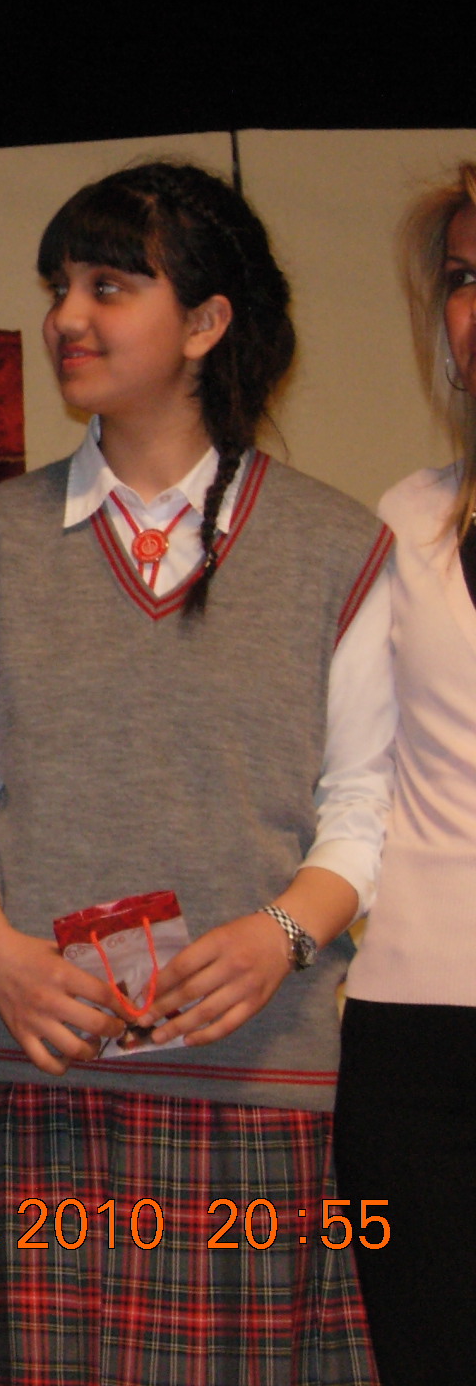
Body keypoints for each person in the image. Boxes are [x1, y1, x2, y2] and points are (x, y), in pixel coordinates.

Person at [0, 162, 393, 1384]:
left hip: (251, 1076)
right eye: (57, 287)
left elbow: (361, 805)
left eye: (107, 286)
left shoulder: (339, 542)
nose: (64, 319)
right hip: (21, 1064)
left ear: (203, 321)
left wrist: (281, 935)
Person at [335, 162, 476, 1386]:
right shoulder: (405, 519)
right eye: (465, 278)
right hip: (413, 1043)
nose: (474, 305)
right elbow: (347, 779)